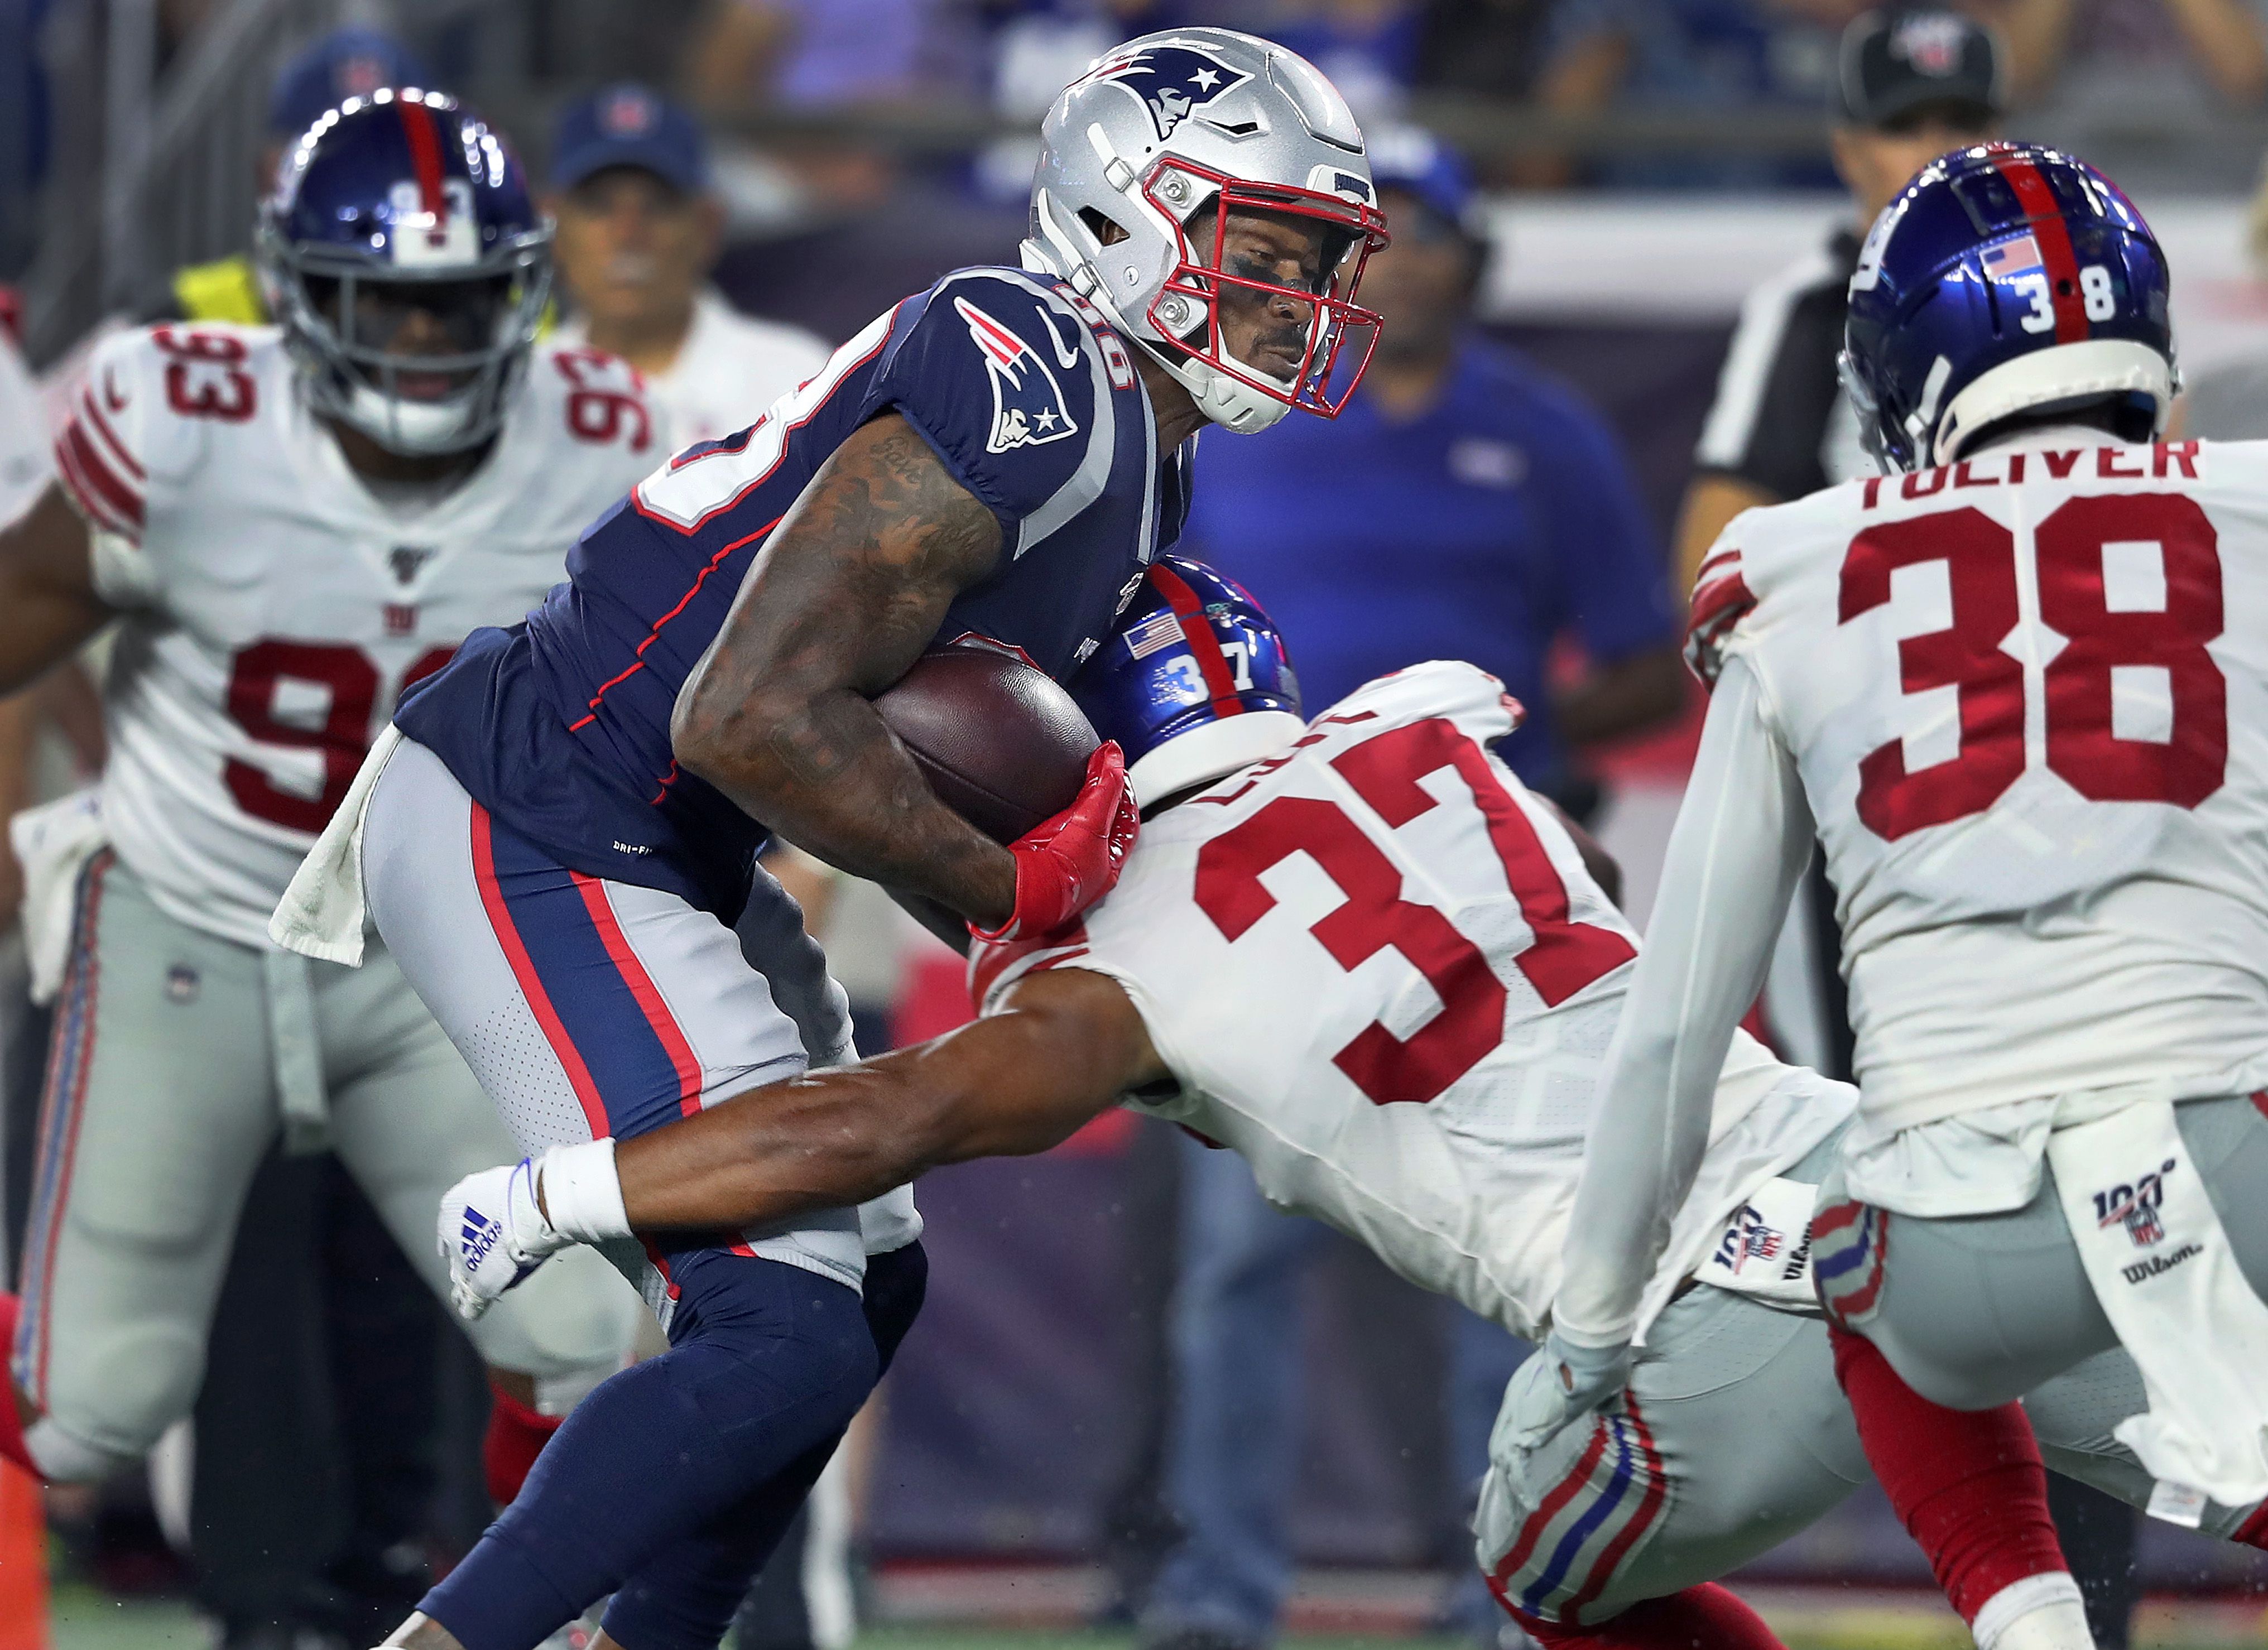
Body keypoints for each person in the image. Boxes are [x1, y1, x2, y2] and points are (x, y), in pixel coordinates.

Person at [436, 556, 2268, 1650]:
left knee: (1540, 1571)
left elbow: (880, 1121)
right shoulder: (1436, 730)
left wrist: (571, 1184)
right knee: (2219, 1444)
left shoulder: (1114, 973)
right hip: (1877, 1171)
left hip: (1685, 1316)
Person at [268, 29, 1392, 1650]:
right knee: (776, 1328)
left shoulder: (1132, 450)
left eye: (1316, 263)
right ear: (1123, 217)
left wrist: (1082, 957)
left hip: (663, 841)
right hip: (550, 805)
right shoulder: (1043, 376)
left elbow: (849, 755)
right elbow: (752, 717)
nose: (1296, 300)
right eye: (1261, 251)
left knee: (862, 1281)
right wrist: (1011, 885)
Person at [1535, 141, 2268, 1650]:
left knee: (1855, 1268)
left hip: (1958, 1242)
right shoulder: (2252, 510)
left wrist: (1597, 1319)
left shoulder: (1793, 568)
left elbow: (1677, 1026)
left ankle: (2031, 1627)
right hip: (2237, 1156)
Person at [0, 85, 647, 1546]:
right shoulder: (180, 418)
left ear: (519, 296)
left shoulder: (603, 441)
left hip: (432, 957)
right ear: (298, 296)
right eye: (384, 302)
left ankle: (511, 1609)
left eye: (460, 301)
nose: (424, 339)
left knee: (581, 1335)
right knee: (89, 1406)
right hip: (189, 921)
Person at [1154, 124, 1681, 1650]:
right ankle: (1216, 1596)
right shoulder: (1240, 419)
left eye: (1430, 235)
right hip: (1268, 891)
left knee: (1512, 1259)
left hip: (1476, 887)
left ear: (1474, 261)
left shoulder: (1543, 429)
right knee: (1233, 1265)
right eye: (1371, 240)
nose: (1400, 261)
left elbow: (1646, 648)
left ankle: (1504, 1594)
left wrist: (1488, 751)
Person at [546, 83, 831, 449]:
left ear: (706, 227)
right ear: (554, 226)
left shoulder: (800, 383)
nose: (627, 233)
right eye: (599, 206)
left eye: (658, 205)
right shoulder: (516, 393)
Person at [157, 27, 432, 327]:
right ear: (267, 172)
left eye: (383, 161)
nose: (361, 193)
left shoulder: (468, 324)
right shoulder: (181, 319)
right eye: (326, 164)